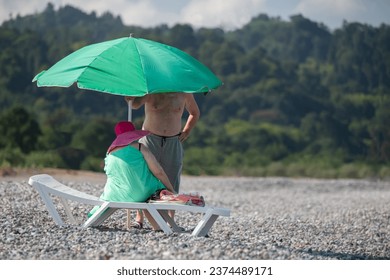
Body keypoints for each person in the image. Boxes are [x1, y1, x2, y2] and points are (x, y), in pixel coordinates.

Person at [125, 93, 200, 228]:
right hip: (150, 138)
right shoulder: (153, 90)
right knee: (145, 177)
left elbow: (194, 113)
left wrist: (187, 131)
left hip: (173, 140)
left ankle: (170, 220)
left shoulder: (184, 92)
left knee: (172, 179)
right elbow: (135, 105)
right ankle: (139, 217)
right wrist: (130, 97)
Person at [88, 121, 176, 231]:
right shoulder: (139, 147)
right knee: (149, 192)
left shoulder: (109, 152)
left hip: (116, 196)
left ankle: (158, 227)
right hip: (142, 193)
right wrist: (170, 188)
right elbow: (158, 172)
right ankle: (161, 226)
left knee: (141, 193)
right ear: (133, 134)